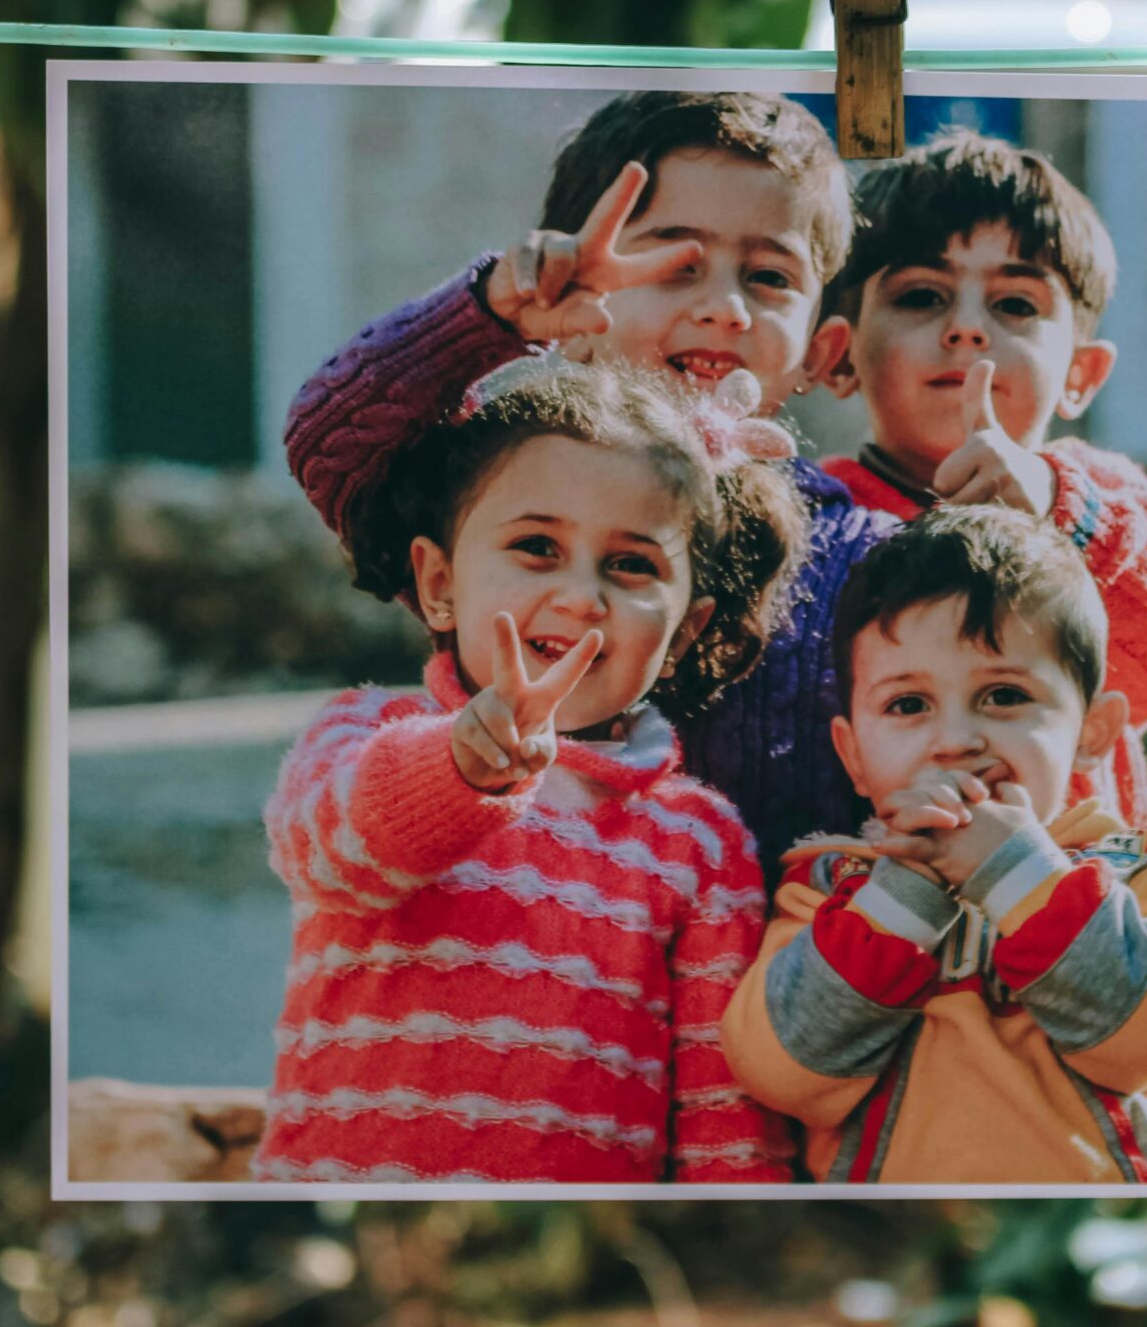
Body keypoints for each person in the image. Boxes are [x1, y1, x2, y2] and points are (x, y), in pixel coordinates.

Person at [282, 90, 896, 882]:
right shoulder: (509, 484)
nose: (724, 306)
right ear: (577, 305)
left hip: (767, 982)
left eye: (769, 275)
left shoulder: (866, 558)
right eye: (676, 264)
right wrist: (496, 315)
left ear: (823, 347)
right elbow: (336, 437)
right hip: (520, 958)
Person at [254, 356, 804, 1184]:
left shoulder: (698, 843)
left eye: (631, 564)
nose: (583, 594)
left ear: (685, 632)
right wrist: (463, 766)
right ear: (439, 585)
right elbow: (327, 853)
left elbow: (722, 1114)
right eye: (536, 546)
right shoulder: (370, 730)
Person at [721, 507, 1147, 1183]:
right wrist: (906, 893)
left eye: (1003, 694)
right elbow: (783, 1073)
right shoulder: (827, 891)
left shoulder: (1144, 868)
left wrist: (1015, 871)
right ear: (852, 754)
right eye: (909, 705)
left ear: (1092, 729)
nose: (956, 740)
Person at [815, 127, 1147, 830]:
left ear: (1082, 374)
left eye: (1014, 304)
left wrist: (1057, 508)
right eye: (922, 295)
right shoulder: (812, 520)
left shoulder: (1109, 498)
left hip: (1081, 905)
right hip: (887, 905)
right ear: (837, 354)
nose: (967, 328)